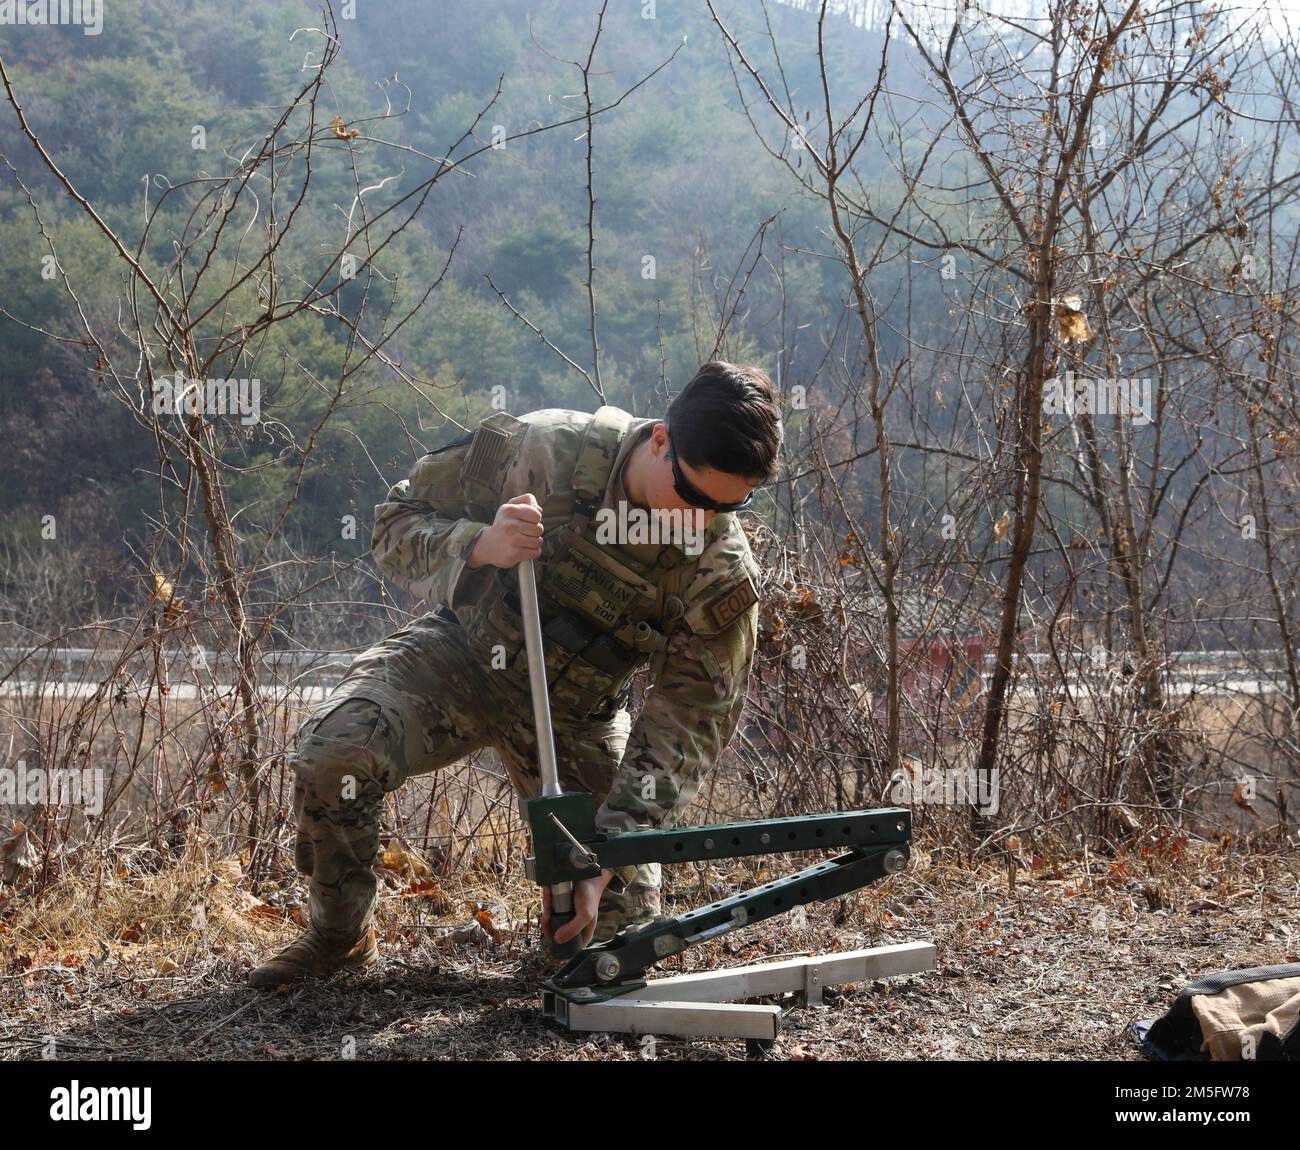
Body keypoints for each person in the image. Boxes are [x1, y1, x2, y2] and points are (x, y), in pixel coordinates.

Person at [247, 361, 783, 988]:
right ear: (661, 439)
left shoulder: (719, 570)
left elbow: (685, 729)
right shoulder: (543, 450)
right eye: (692, 496)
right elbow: (394, 525)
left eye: (729, 505)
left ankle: (575, 934)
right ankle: (337, 937)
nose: (703, 519)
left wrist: (605, 855)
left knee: (612, 947)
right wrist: (480, 545)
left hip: (577, 717)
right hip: (463, 661)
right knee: (334, 754)